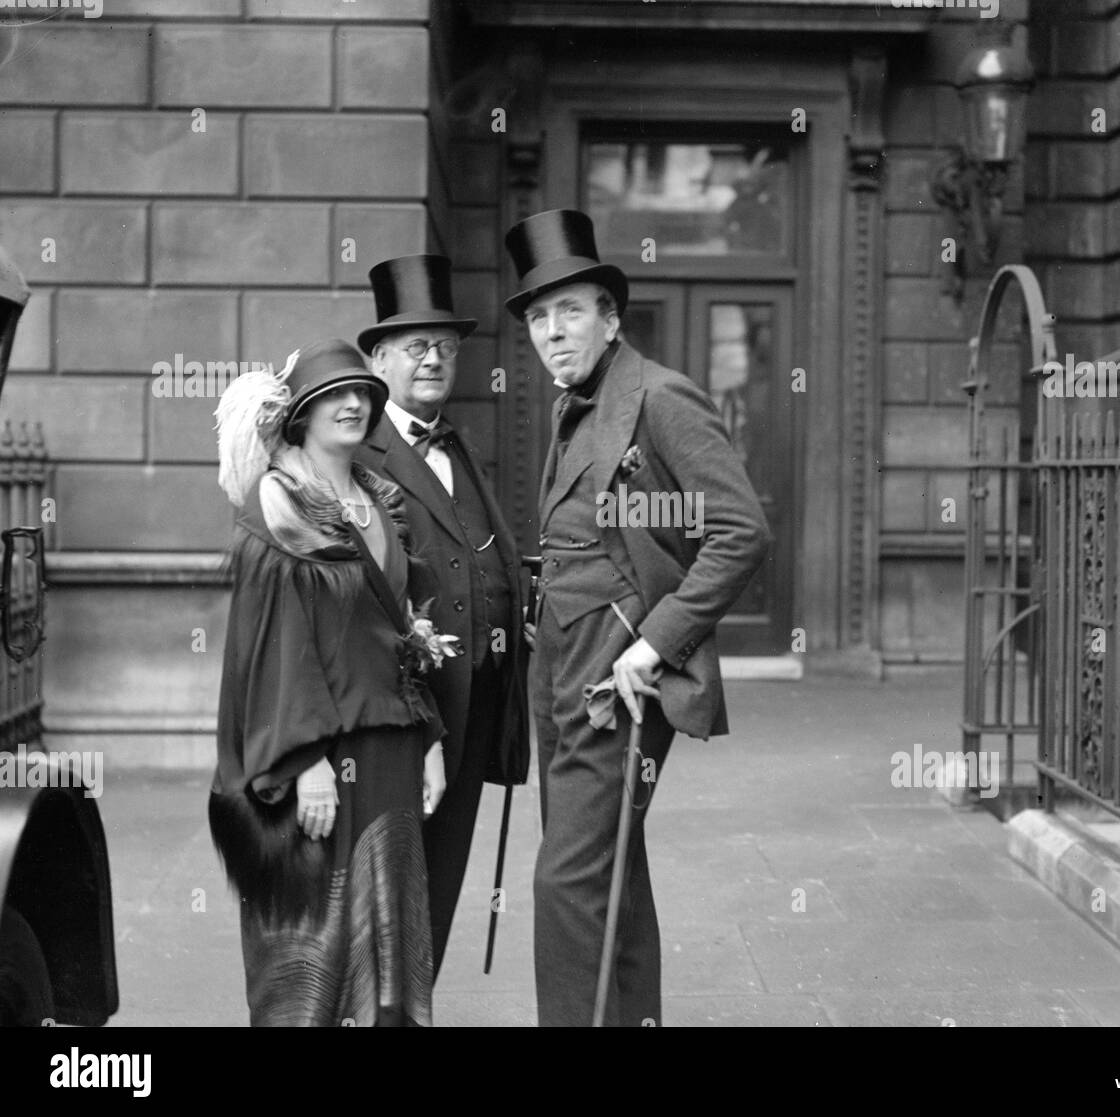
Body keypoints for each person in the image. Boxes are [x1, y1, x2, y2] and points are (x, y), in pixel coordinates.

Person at [504, 208, 772, 1026]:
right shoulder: (576, 404)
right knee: (608, 866)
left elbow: (743, 531)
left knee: (566, 880)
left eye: (570, 311)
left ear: (611, 318)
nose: (553, 332)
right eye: (539, 318)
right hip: (560, 663)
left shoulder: (659, 399)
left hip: (617, 675)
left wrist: (657, 640)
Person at [208, 338, 454, 1027]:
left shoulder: (381, 500)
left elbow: (403, 628)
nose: (352, 404)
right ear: (300, 416)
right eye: (331, 396)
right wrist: (304, 757)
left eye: (362, 393)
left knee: (387, 948)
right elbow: (277, 644)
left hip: (390, 753)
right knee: (316, 949)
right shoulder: (277, 507)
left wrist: (428, 736)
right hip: (322, 759)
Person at [355, 255, 530, 981]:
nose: (433, 358)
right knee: (390, 902)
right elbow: (366, 607)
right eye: (416, 345)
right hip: (409, 723)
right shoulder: (360, 453)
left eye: (446, 346)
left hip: (473, 710)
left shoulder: (455, 442)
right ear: (378, 358)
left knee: (436, 893)